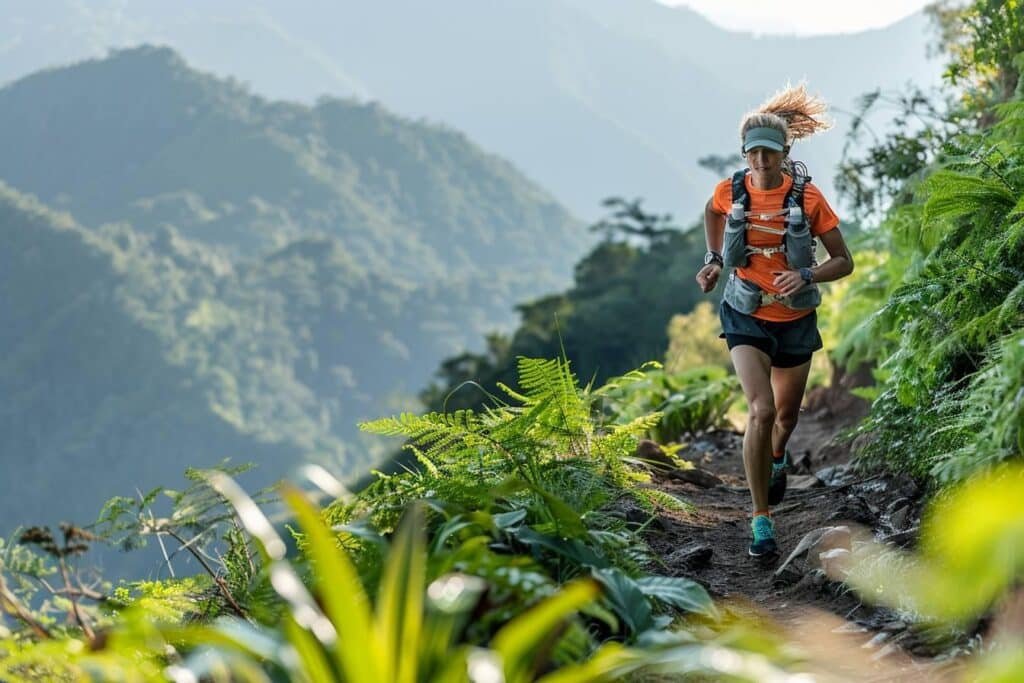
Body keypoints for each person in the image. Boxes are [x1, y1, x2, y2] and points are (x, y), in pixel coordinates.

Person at [694, 85, 854, 558]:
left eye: (770, 152)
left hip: (796, 316)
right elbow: (711, 211)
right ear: (745, 154)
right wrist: (713, 260)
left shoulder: (807, 198)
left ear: (785, 152)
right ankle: (761, 519)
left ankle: (778, 457)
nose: (761, 161)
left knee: (785, 418)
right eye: (754, 152)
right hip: (744, 311)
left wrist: (805, 273)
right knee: (760, 410)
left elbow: (844, 261)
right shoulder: (730, 191)